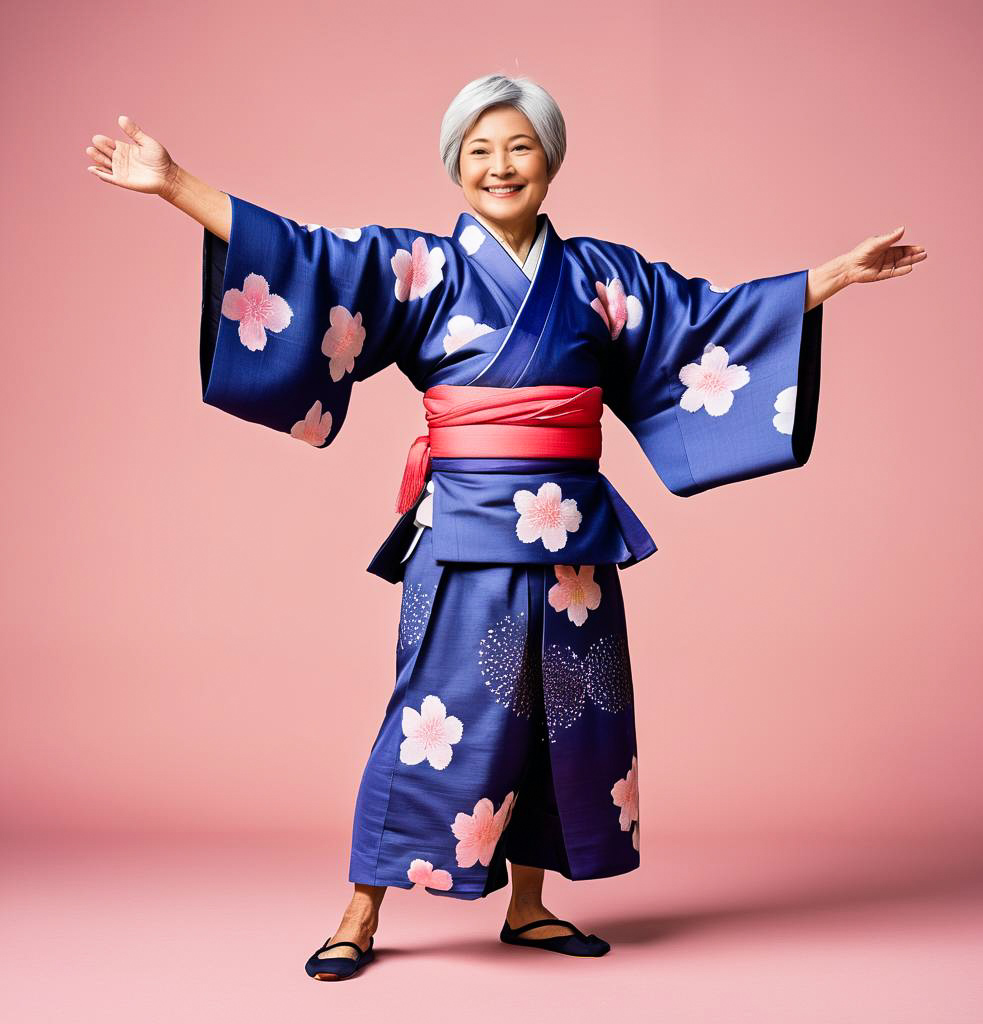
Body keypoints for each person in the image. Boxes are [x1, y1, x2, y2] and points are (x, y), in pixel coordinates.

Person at [85, 72, 926, 979]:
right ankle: (360, 912)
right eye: (479, 150)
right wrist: (176, 186)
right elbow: (309, 257)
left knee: (563, 720)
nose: (500, 165)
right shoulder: (425, 269)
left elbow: (703, 322)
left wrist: (831, 277)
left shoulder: (603, 275)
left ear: (550, 159)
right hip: (463, 533)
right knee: (430, 718)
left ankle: (528, 906)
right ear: (454, 166)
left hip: (575, 538)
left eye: (519, 146)